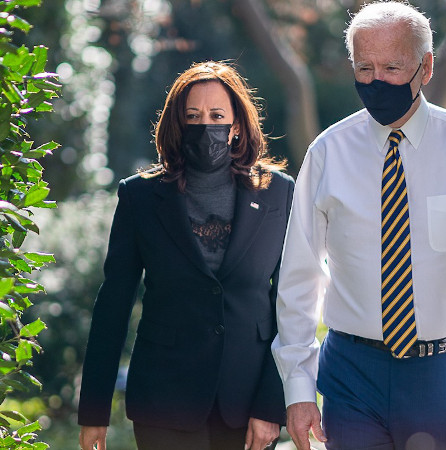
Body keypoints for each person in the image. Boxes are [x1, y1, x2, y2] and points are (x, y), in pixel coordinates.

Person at [271, 2, 446, 450]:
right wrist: (298, 389)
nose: (376, 81)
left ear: (426, 67)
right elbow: (299, 278)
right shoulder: (326, 154)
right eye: (364, 68)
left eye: (392, 68)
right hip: (352, 375)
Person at [78, 61, 293, 450]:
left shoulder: (279, 193)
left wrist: (272, 404)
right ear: (177, 124)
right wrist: (94, 410)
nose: (204, 125)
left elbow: (291, 301)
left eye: (216, 115)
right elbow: (114, 301)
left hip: (246, 402)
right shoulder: (140, 196)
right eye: (193, 116)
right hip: (164, 397)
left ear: (238, 125)